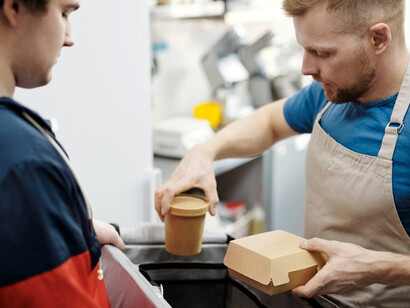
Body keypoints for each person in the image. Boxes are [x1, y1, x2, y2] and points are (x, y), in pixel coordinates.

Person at [155, 0, 410, 306]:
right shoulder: (330, 95)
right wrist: (205, 151)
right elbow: (270, 123)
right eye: (305, 49)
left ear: (378, 39)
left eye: (322, 52)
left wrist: (377, 267)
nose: (306, 68)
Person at [0, 0, 125, 306]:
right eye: (65, 13)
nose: (69, 38)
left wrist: (68, 232)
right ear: (14, 7)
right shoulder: (24, 164)